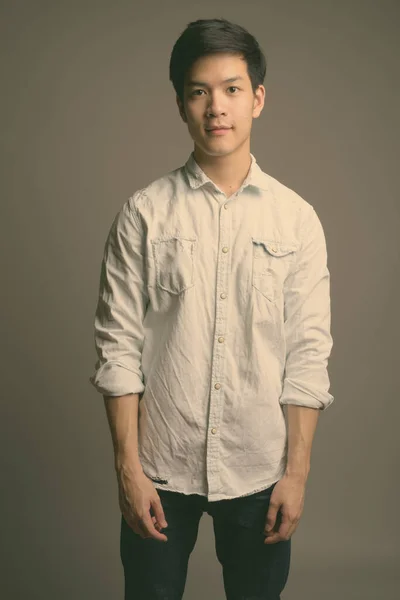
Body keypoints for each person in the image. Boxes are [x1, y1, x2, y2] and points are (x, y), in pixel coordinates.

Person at [89, 17, 334, 600]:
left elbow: (308, 354)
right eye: (199, 92)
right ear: (181, 104)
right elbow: (117, 349)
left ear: (258, 99)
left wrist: (296, 473)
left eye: (231, 89)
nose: (216, 107)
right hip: (160, 467)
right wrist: (128, 471)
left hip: (258, 468)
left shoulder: (297, 220)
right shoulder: (144, 214)